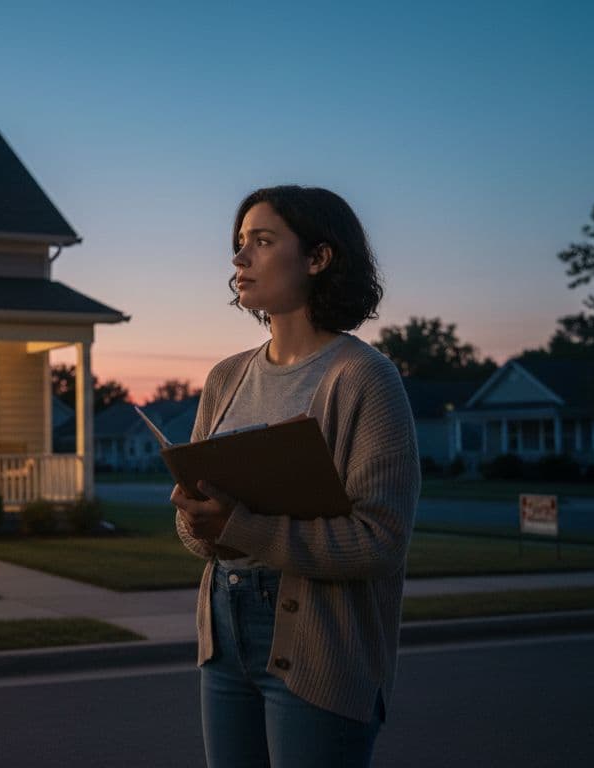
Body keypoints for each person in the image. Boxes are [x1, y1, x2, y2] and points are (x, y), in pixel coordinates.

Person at [170, 185, 420, 768]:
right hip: (223, 638)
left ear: (317, 258)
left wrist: (245, 526)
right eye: (239, 244)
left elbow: (380, 542)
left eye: (262, 241)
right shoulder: (226, 377)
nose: (240, 259)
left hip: (321, 645)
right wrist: (201, 521)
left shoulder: (363, 379)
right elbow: (203, 535)